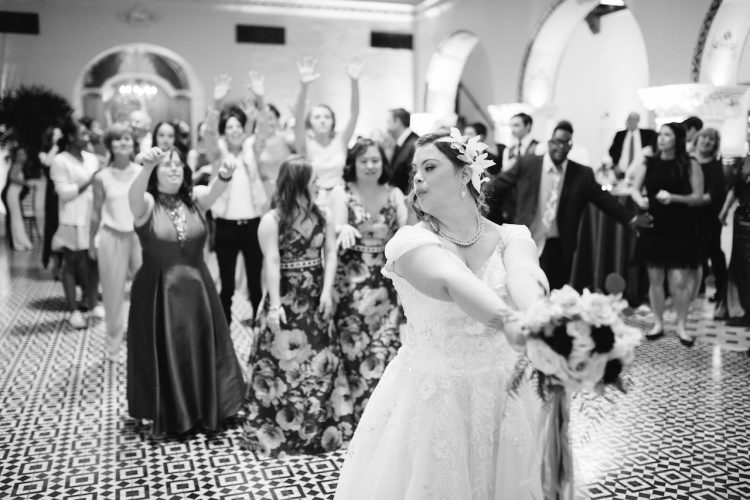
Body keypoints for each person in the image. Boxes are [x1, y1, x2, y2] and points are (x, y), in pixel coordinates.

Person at [334, 130, 548, 499]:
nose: (417, 177)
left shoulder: (512, 236)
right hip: (434, 399)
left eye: (430, 167)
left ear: (465, 174)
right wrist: (509, 321)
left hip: (505, 394)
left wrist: (541, 321)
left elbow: (523, 275)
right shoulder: (409, 243)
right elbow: (450, 281)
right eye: (414, 171)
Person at [126, 146, 245, 439]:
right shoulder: (146, 203)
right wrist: (145, 168)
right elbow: (132, 196)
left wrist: (224, 175)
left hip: (197, 290)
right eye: (168, 165)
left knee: (201, 347)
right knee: (166, 350)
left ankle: (206, 407)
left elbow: (215, 191)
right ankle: (172, 411)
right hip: (158, 290)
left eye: (179, 164)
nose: (175, 169)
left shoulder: (194, 200)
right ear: (156, 172)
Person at [242, 155, 346, 458]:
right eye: (313, 179)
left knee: (319, 363)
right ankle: (281, 431)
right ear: (299, 183)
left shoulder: (323, 215)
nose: (318, 184)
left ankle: (315, 429)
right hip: (286, 295)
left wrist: (327, 291)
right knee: (281, 365)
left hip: (315, 295)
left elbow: (330, 253)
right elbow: (272, 262)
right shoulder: (271, 220)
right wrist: (274, 306)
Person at [486, 121, 652, 291]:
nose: (561, 147)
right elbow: (499, 185)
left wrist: (630, 218)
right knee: (527, 291)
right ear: (550, 143)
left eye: (567, 143)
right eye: (558, 142)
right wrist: (475, 194)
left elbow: (605, 200)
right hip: (527, 240)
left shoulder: (582, 174)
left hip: (560, 244)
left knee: (557, 294)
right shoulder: (528, 164)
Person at [328, 138, 407, 424]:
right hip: (351, 280)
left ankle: (382, 412)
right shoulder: (342, 193)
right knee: (354, 343)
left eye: (375, 160)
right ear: (353, 165)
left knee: (384, 343)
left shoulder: (394, 194)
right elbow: (332, 229)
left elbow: (407, 230)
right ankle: (355, 412)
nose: (370, 166)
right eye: (364, 161)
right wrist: (341, 227)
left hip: (385, 280)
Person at [631, 122, 704, 345]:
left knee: (679, 280)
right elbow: (635, 188)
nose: (661, 139)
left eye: (667, 135)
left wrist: (673, 198)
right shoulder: (649, 162)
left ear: (678, 139)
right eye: (660, 134)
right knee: (655, 279)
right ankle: (658, 322)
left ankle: (681, 326)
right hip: (654, 225)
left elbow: (698, 197)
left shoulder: (690, 163)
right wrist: (639, 199)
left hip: (680, 227)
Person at [204, 73, 268, 325]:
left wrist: (260, 98)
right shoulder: (217, 154)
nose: (234, 131)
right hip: (225, 228)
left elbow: (263, 130)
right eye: (229, 127)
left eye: (238, 127)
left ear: (244, 130)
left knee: (255, 282)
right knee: (227, 284)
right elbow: (209, 133)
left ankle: (258, 325)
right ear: (224, 131)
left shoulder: (252, 151)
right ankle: (224, 327)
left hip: (253, 225)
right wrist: (216, 103)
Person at [89, 123, 142, 362]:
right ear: (110, 144)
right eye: (118, 139)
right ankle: (113, 346)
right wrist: (91, 241)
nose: (124, 142)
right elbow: (95, 212)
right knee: (112, 293)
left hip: (139, 236)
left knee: (144, 290)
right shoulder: (101, 177)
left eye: (128, 138)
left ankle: (142, 340)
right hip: (111, 235)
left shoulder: (142, 172)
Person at [50, 118, 103, 329]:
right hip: (72, 218)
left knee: (92, 262)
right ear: (71, 137)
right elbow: (64, 193)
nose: (87, 136)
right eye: (83, 133)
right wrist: (89, 180)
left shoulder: (91, 159)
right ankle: (73, 311)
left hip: (92, 217)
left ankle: (91, 302)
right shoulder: (60, 161)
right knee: (71, 264)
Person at [294, 56, 362, 206]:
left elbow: (355, 112)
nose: (323, 120)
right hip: (313, 198)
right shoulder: (304, 144)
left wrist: (354, 81)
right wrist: (304, 87)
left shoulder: (341, 141)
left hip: (340, 197)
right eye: (317, 117)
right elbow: (298, 118)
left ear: (333, 121)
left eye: (327, 116)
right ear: (310, 123)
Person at [692, 128, 727, 317]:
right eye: (704, 137)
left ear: (715, 144)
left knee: (713, 251)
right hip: (688, 216)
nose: (706, 141)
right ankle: (694, 290)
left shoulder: (715, 166)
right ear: (697, 139)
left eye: (711, 140)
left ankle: (722, 292)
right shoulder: (687, 161)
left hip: (709, 216)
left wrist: (690, 200)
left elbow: (713, 195)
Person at [719, 153, 750, 326]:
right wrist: (724, 211)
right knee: (740, 266)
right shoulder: (745, 159)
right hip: (742, 219)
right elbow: (735, 188)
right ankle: (742, 310)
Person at [608, 112, 657, 180]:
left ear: (638, 121)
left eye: (634, 119)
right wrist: (615, 165)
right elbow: (612, 151)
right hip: (621, 172)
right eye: (629, 119)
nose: (631, 122)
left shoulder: (648, 134)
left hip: (640, 173)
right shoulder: (620, 135)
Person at [1, 146, 33, 251]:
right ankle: (17, 242)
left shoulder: (20, 165)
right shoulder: (18, 165)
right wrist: (25, 183)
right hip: (12, 194)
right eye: (19, 154)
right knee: (15, 218)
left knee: (17, 217)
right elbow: (12, 177)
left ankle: (19, 241)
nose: (22, 157)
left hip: (14, 194)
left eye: (23, 154)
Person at [386, 108, 419, 194]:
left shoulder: (414, 144)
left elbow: (413, 178)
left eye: (388, 122)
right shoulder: (401, 143)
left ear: (397, 122)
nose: (386, 128)